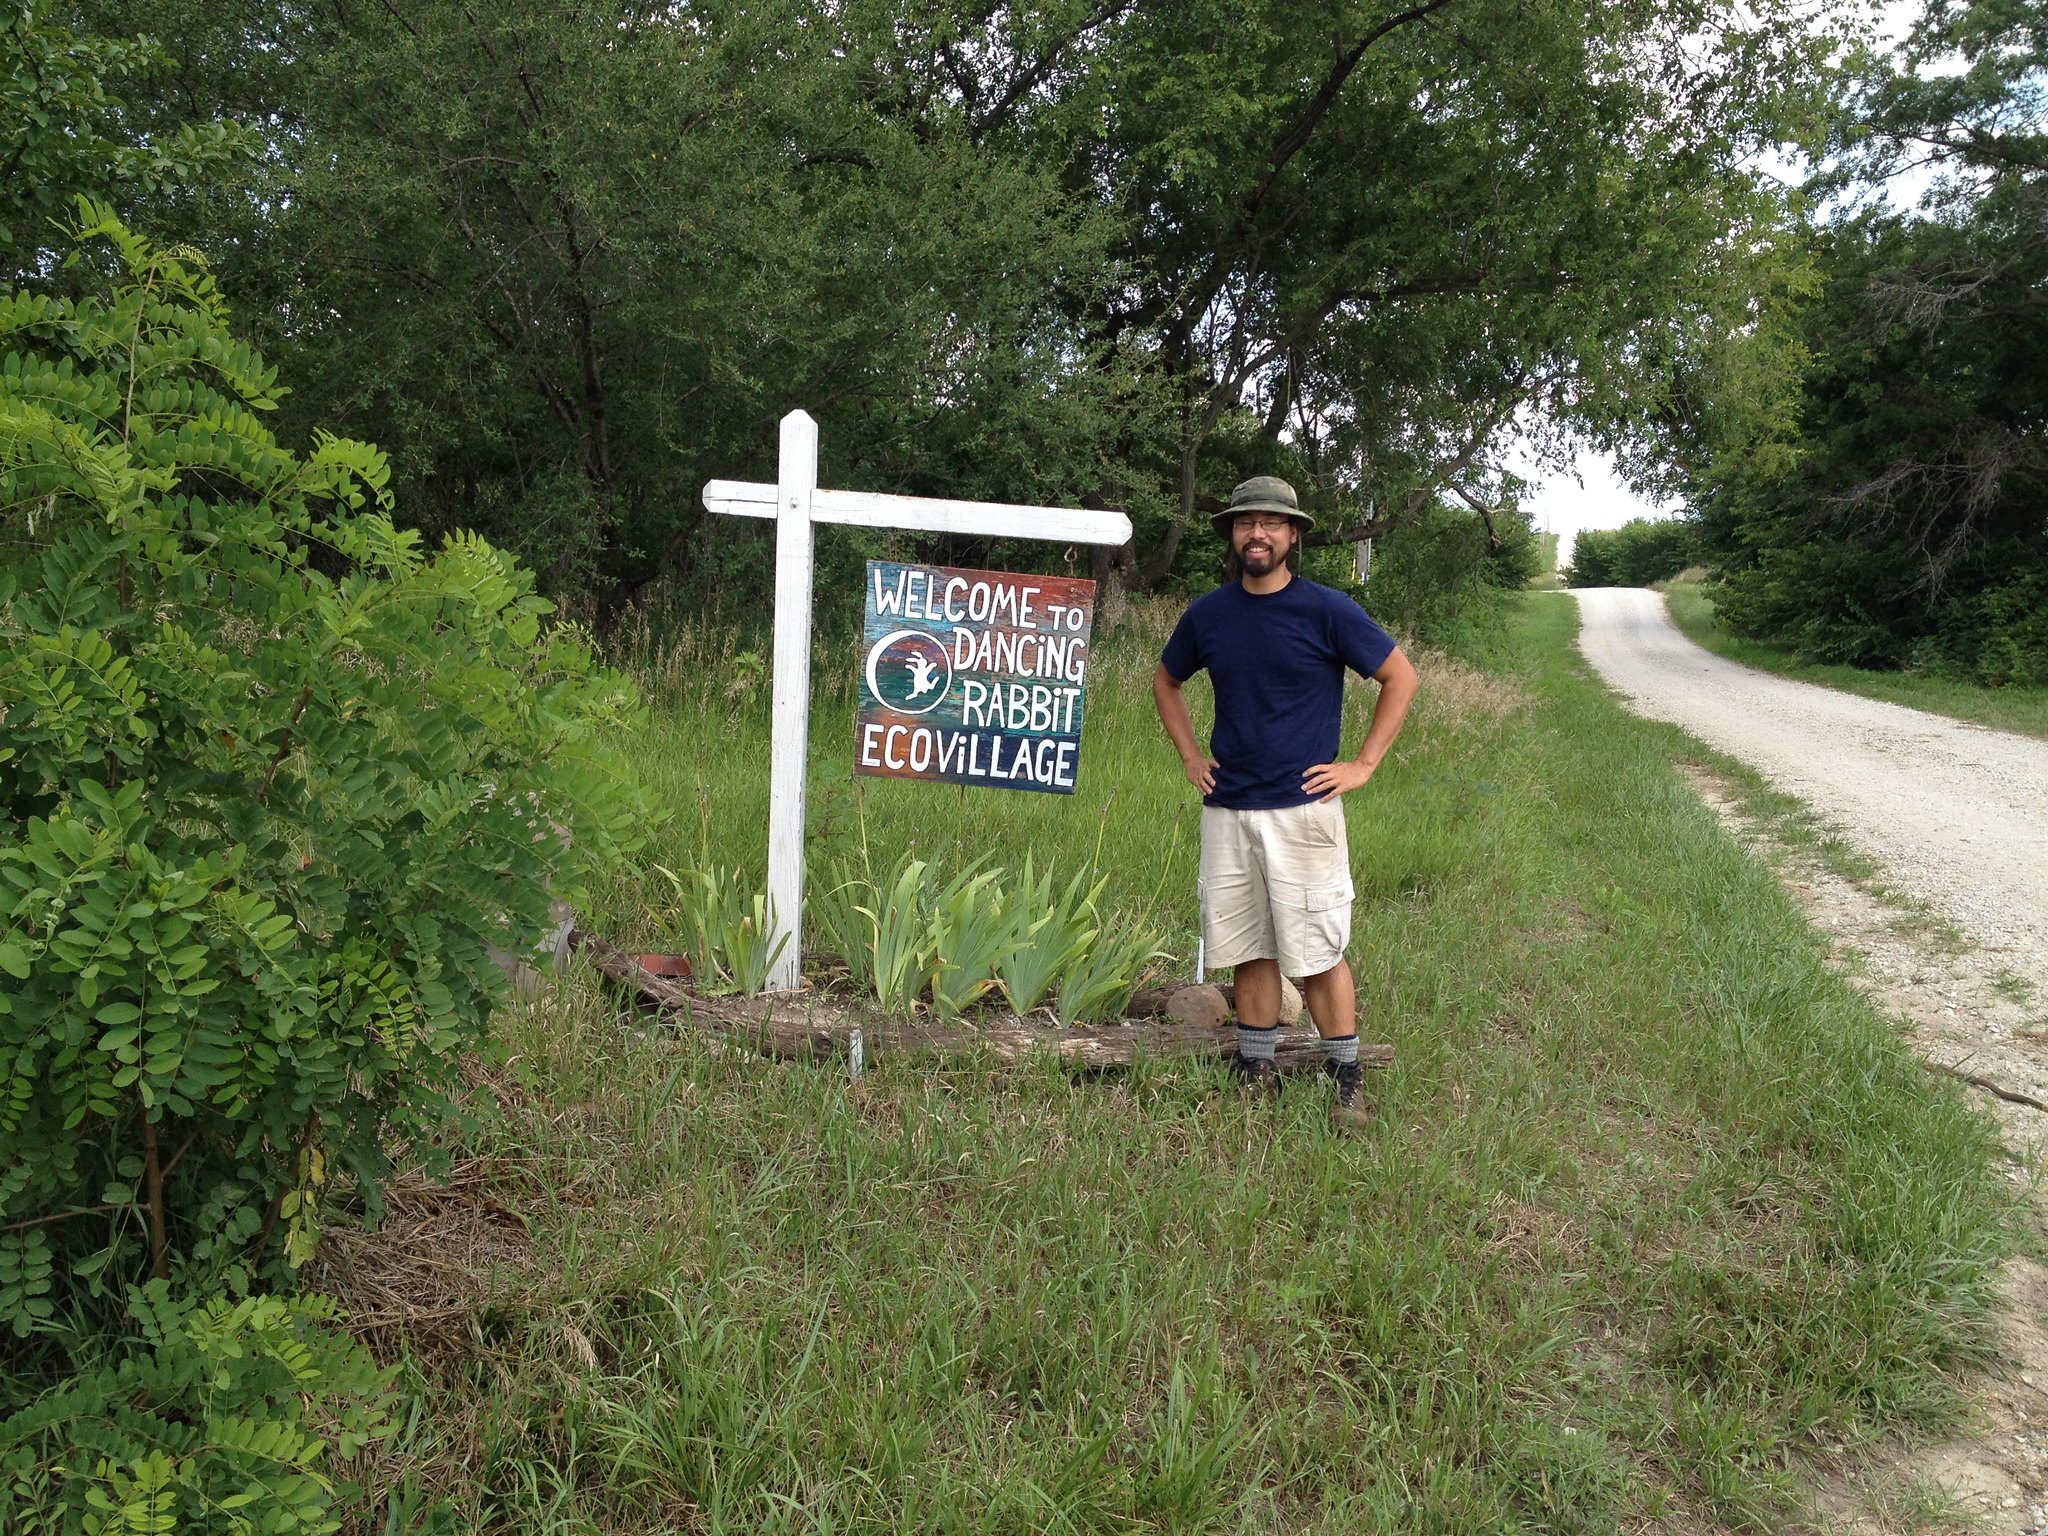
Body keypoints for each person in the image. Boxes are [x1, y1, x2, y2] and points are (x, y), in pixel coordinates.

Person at [1152, 474, 1419, 1130]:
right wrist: (1191, 756)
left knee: (1319, 950)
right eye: (1246, 523)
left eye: (1272, 523)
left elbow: (1399, 676)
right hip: (1230, 807)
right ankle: (1256, 1072)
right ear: (1234, 535)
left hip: (1303, 811)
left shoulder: (1326, 610)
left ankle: (1349, 1084)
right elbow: (1166, 680)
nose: (1258, 534)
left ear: (1293, 534)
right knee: (1251, 946)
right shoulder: (1208, 615)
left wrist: (1362, 764)